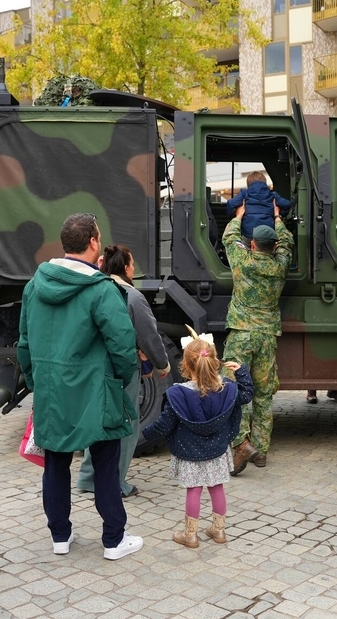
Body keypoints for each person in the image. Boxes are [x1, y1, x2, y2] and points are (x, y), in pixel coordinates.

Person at [17, 213, 144, 561]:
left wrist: (37, 383)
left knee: (55, 463)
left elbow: (24, 344)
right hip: (96, 391)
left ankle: (60, 536)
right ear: (93, 243)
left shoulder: (33, 286)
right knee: (105, 462)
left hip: (52, 392)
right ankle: (113, 540)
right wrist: (119, 379)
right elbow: (123, 344)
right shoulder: (103, 290)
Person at [78, 244, 171, 498]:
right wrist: (162, 363)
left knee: (97, 422)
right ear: (127, 268)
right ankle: (116, 481)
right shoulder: (131, 295)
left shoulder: (92, 290)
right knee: (125, 426)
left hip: (92, 366)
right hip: (121, 369)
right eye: (132, 264)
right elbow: (148, 336)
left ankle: (88, 477)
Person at [141, 337, 253, 547]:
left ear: (185, 365)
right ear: (214, 362)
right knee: (216, 487)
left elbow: (163, 425)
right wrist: (241, 372)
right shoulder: (227, 390)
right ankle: (219, 531)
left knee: (194, 490)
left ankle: (190, 535)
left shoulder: (177, 395)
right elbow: (246, 394)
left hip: (189, 452)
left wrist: (143, 433)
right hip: (217, 451)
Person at [222, 200, 295, 475]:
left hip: (241, 334)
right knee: (264, 395)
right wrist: (278, 218)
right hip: (266, 336)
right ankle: (261, 451)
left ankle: (241, 443)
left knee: (232, 390)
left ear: (252, 244)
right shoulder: (280, 265)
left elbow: (229, 236)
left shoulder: (242, 261)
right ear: (273, 247)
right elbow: (287, 242)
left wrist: (239, 215)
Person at [225, 171, 292, 240]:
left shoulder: (244, 194)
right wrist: (278, 214)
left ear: (248, 185)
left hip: (249, 234)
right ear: (265, 183)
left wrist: (236, 214)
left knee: (242, 243)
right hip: (268, 234)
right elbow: (287, 204)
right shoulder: (272, 195)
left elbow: (230, 204)